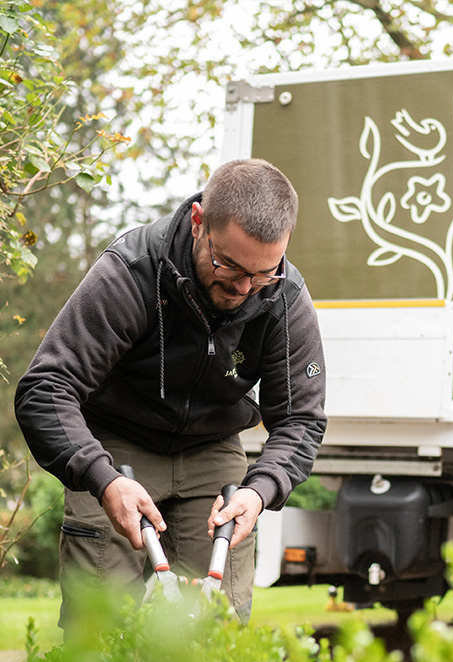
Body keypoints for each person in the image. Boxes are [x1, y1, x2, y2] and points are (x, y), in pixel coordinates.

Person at [14, 158, 327, 629]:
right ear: (199, 222)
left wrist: (259, 492)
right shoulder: (132, 271)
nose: (244, 288)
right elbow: (46, 387)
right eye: (230, 266)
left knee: (215, 626)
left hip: (212, 450)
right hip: (116, 443)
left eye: (262, 273)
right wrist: (103, 478)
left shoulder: (283, 296)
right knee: (97, 628)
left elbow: (301, 419)